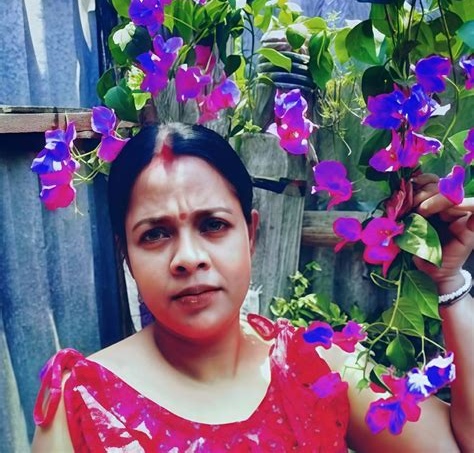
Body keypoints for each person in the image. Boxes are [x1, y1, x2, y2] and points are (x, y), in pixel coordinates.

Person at [32, 123, 473, 452]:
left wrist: (449, 283)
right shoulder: (82, 404)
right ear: (126, 255)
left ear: (251, 235)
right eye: (155, 234)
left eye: (213, 225)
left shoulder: (315, 367)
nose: (188, 257)